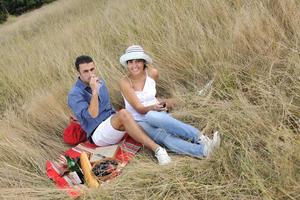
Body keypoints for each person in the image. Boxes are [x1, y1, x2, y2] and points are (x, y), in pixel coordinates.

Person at [119, 45, 221, 158]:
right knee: (164, 136)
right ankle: (204, 151)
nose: (134, 66)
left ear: (144, 62)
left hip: (157, 113)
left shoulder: (152, 74)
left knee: (154, 117)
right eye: (130, 62)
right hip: (140, 120)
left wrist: (159, 104)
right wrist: (154, 107)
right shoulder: (125, 82)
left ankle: (202, 138)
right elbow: (139, 108)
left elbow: (152, 93)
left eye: (138, 61)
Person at [68, 55, 171, 165]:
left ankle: (167, 137)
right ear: (78, 73)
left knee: (134, 113)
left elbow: (108, 108)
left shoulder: (101, 82)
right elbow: (93, 115)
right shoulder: (75, 94)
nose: (91, 74)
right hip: (98, 133)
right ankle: (158, 150)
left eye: (92, 69)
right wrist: (94, 91)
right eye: (86, 71)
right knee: (124, 114)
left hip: (111, 122)